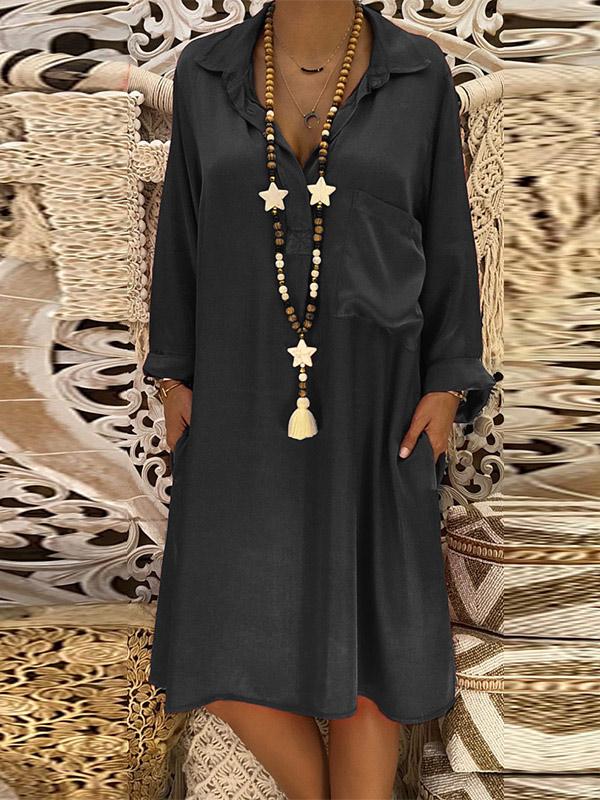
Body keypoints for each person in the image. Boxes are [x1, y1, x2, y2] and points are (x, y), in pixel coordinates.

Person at [143, 1, 498, 797]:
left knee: (370, 638)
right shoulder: (205, 73)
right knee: (211, 635)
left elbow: (449, 234)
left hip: (380, 397)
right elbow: (182, 232)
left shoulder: (418, 74)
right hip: (233, 387)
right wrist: (173, 374)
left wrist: (447, 383)